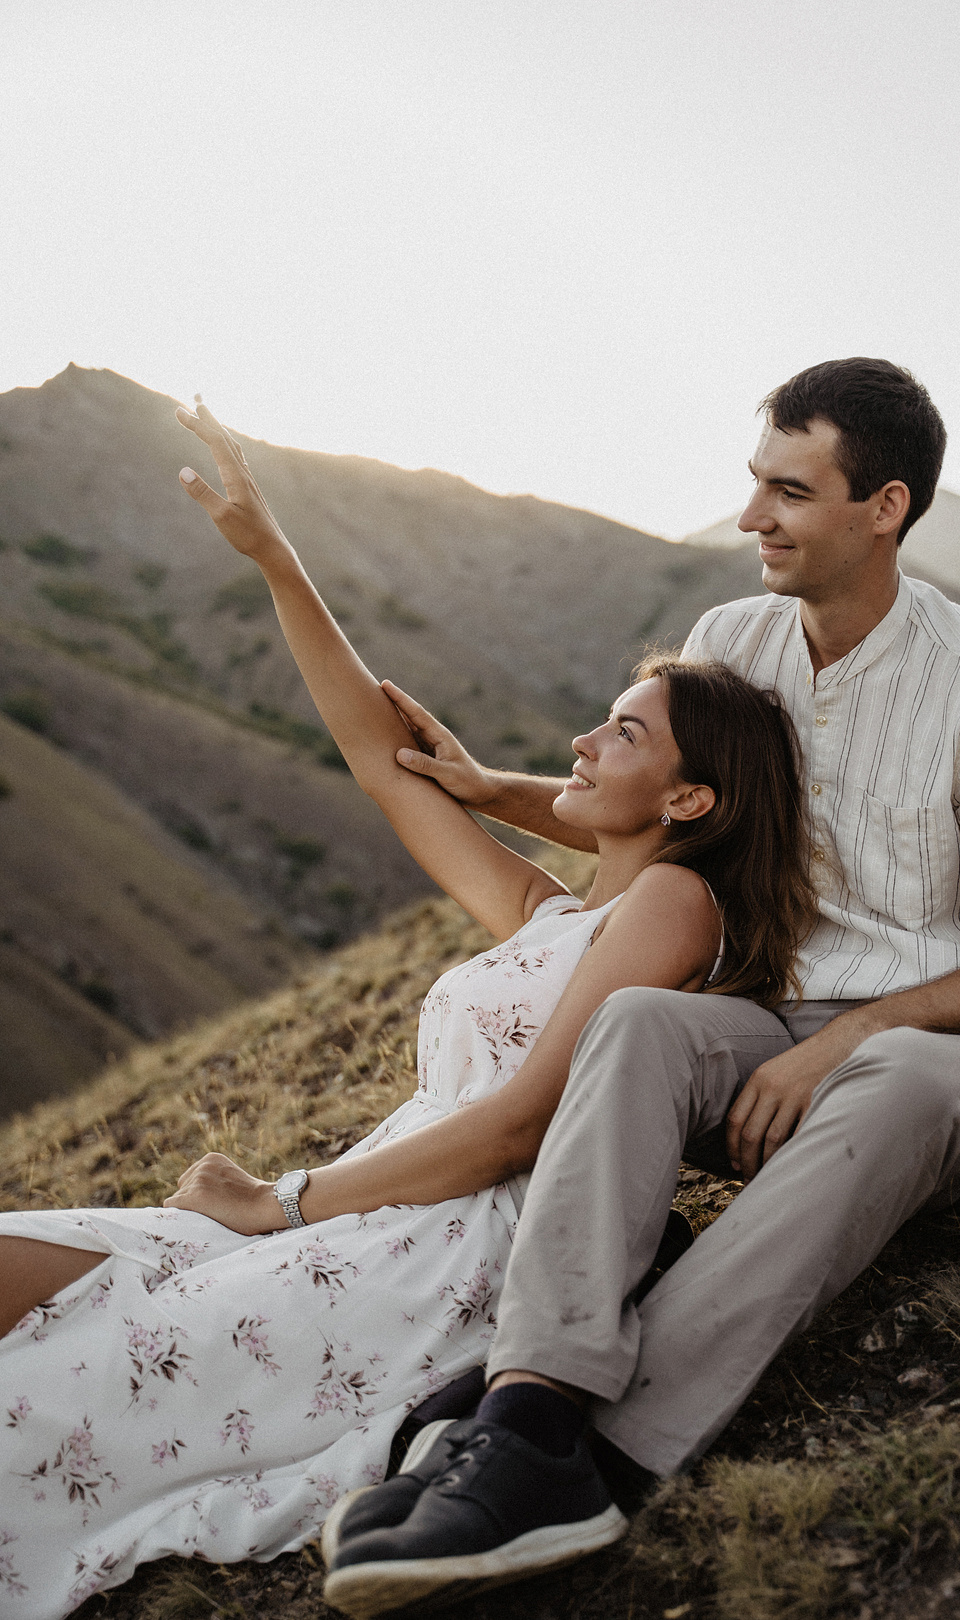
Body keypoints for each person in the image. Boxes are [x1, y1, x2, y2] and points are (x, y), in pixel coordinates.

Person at [0, 403, 815, 1619]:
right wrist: (276, 557)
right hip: (364, 1201)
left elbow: (516, 1131)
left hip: (442, 1248)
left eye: (624, 734)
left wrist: (278, 1204)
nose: (583, 745)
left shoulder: (676, 910)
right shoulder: (548, 915)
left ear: (692, 798)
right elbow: (382, 764)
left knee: (59, 1394)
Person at [320, 357, 960, 1620]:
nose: (751, 520)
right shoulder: (737, 641)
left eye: (789, 491)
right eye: (753, 485)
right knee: (635, 1021)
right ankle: (528, 1409)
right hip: (769, 1018)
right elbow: (668, 805)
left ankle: (606, 1459)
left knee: (889, 1077)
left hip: (957, 1047)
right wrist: (491, 788)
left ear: (883, 508)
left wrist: (846, 1043)